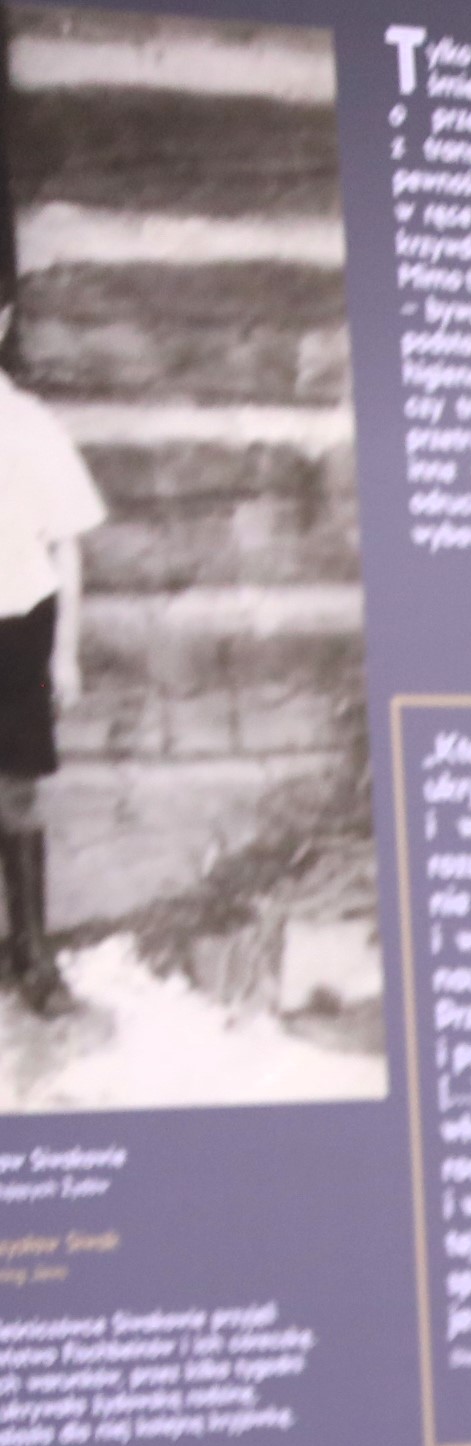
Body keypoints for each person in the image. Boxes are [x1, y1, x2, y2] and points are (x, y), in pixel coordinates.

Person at [0, 300, 99, 1015]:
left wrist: (64, 653)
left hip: (16, 626)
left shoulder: (30, 425)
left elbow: (66, 543)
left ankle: (33, 956)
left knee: (15, 790)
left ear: (2, 319)